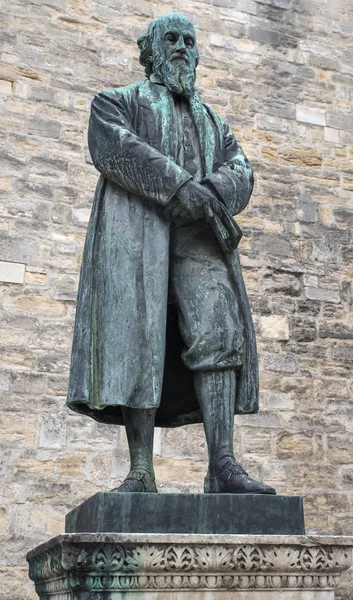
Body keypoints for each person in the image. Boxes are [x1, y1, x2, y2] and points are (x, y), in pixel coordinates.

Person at [67, 13, 275, 495]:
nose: (182, 47)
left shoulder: (213, 121)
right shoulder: (116, 101)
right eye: (172, 39)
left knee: (220, 331)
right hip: (139, 236)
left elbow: (240, 169)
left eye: (189, 41)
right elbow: (115, 147)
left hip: (199, 240)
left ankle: (222, 464)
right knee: (136, 336)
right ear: (151, 50)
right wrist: (180, 186)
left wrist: (212, 192)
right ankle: (141, 471)